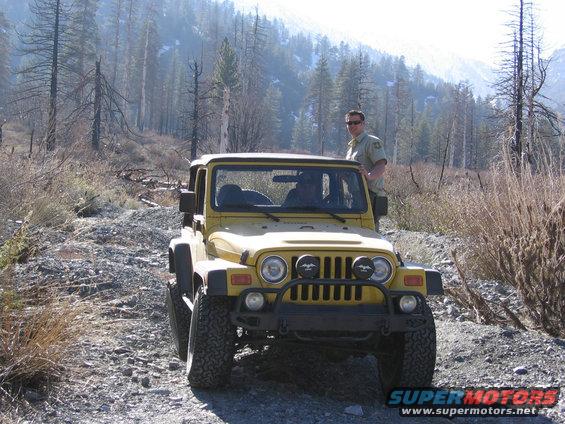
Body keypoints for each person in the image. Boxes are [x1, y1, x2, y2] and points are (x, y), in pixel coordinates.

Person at [344, 110, 387, 231]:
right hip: (355, 194)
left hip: (371, 194)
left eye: (356, 122)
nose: (352, 126)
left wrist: (368, 175)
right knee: (355, 229)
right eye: (349, 123)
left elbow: (381, 165)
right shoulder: (352, 146)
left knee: (369, 230)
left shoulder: (371, 142)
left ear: (363, 124)